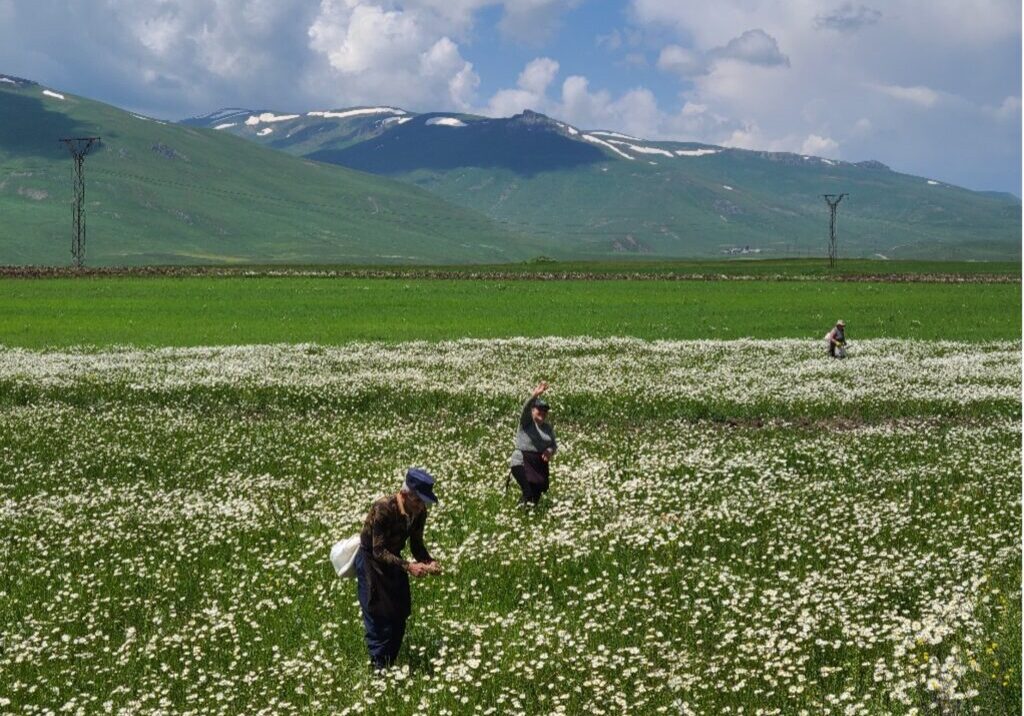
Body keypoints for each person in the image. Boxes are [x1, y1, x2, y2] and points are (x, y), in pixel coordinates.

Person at [354, 468, 440, 670]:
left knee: (399, 614)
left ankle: (389, 664)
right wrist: (409, 567)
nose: (420, 507)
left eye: (424, 502)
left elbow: (417, 545)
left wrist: (428, 561)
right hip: (371, 563)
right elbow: (378, 550)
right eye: (417, 501)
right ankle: (378, 670)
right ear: (404, 494)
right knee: (378, 617)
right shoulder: (383, 508)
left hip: (394, 561)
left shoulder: (419, 513)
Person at [508, 381, 558, 506]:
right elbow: (525, 408)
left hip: (538, 465)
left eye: (545, 410)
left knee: (535, 497)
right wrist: (534, 395)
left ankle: (520, 513)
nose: (543, 412)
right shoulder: (526, 422)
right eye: (539, 409)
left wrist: (549, 451)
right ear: (532, 410)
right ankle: (521, 515)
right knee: (528, 492)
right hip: (521, 462)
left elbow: (553, 445)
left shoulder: (547, 428)